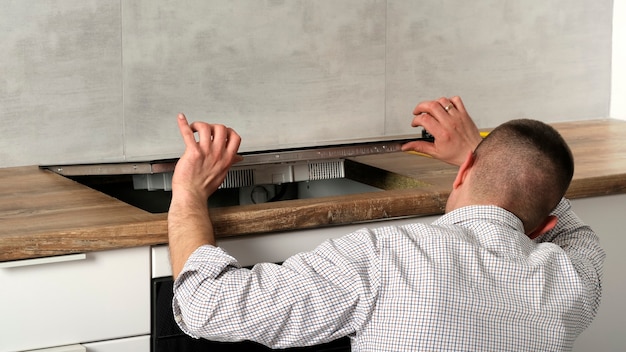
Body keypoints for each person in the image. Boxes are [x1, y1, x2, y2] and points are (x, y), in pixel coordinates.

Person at [167, 96, 605, 351]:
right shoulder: (572, 283)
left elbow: (209, 306)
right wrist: (488, 156)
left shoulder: (386, 256)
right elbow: (573, 228)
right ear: (543, 228)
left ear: (464, 168)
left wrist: (187, 193)